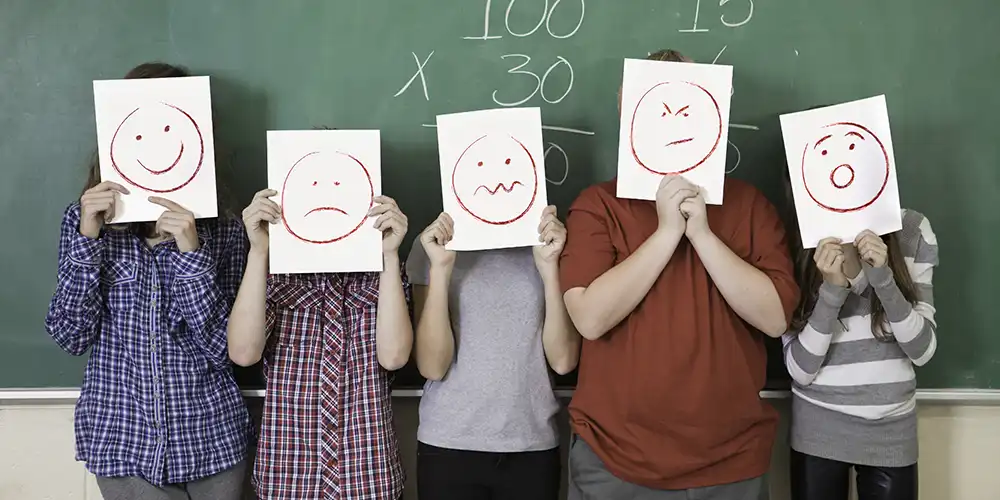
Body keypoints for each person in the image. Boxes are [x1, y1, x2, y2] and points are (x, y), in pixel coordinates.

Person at [558, 48, 801, 499]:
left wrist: (704, 235)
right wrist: (667, 233)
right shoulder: (597, 205)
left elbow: (773, 318)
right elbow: (590, 317)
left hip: (731, 464)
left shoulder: (750, 206)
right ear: (626, 112)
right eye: (655, 106)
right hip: (614, 461)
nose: (673, 120)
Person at [44, 63, 251, 500]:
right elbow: (70, 335)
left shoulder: (226, 230)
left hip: (211, 442)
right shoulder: (83, 225)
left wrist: (191, 255)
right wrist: (88, 237)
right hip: (123, 443)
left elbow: (226, 348)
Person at [227, 188, 413, 500]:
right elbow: (243, 353)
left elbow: (394, 357)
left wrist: (390, 255)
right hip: (289, 476)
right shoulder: (275, 274)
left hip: (367, 475)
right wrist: (259, 252)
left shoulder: (381, 273)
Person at [408, 206, 580, 500]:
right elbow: (431, 365)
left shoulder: (550, 241)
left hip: (531, 445)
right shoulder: (434, 242)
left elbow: (564, 361)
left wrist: (551, 269)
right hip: (449, 446)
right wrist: (440, 269)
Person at [782, 189, 937, 498]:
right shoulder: (802, 235)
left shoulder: (911, 230)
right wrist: (832, 291)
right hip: (818, 425)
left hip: (891, 428)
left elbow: (923, 350)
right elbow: (800, 369)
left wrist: (884, 280)